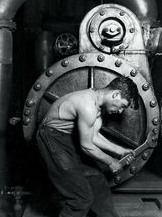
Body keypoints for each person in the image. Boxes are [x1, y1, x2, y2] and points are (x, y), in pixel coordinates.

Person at [36, 76, 139, 217]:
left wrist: (120, 151)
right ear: (115, 94)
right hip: (52, 138)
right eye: (122, 106)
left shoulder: (97, 105)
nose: (121, 111)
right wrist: (110, 161)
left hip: (67, 138)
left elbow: (94, 136)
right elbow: (86, 145)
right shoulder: (87, 105)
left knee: (97, 179)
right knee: (81, 197)